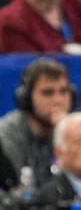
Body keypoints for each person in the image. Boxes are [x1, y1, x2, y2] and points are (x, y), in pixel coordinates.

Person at [0, 57, 74, 189]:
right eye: (48, 93)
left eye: (63, 91)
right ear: (26, 97)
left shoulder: (76, 129)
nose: (58, 100)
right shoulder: (7, 134)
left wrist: (66, 133)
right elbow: (14, 188)